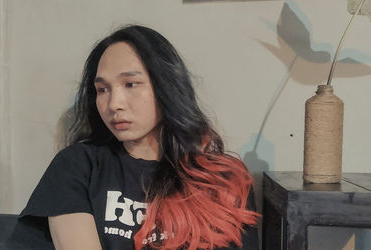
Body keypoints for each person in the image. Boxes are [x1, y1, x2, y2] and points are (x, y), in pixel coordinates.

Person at [19, 25, 259, 250]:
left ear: (166, 87)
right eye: (102, 90)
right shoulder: (77, 166)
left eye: (131, 84)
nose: (114, 104)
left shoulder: (222, 178)